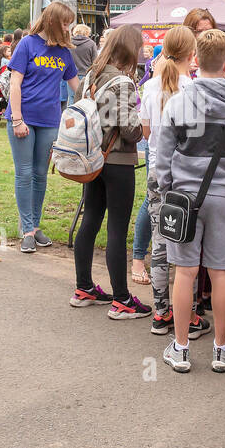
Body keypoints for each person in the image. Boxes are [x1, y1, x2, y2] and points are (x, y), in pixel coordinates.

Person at [157, 28, 225, 374]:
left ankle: (180, 348)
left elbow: (162, 156)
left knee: (185, 272)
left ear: (195, 61)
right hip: (224, 197)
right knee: (221, 273)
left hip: (183, 198)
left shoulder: (178, 101)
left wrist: (165, 192)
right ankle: (221, 349)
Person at [69, 25, 150, 318]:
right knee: (117, 227)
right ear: (130, 49)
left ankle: (84, 287)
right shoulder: (122, 82)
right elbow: (129, 130)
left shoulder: (91, 75)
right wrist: (143, 127)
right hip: (117, 160)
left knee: (90, 219)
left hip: (92, 159)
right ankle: (122, 300)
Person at [8, 3, 81, 251]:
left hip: (50, 121)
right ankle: (26, 228)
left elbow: (76, 87)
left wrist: (93, 102)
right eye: (64, 22)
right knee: (24, 173)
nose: (67, 27)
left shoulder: (64, 52)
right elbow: (14, 83)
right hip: (23, 118)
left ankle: (35, 226)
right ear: (51, 21)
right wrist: (17, 118)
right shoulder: (27, 44)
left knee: (40, 175)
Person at [140, 26, 195, 330]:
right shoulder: (192, 89)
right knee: (189, 246)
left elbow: (146, 133)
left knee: (160, 242)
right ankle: (190, 312)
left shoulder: (149, 87)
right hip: (185, 174)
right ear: (192, 54)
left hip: (156, 171)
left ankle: (161, 311)